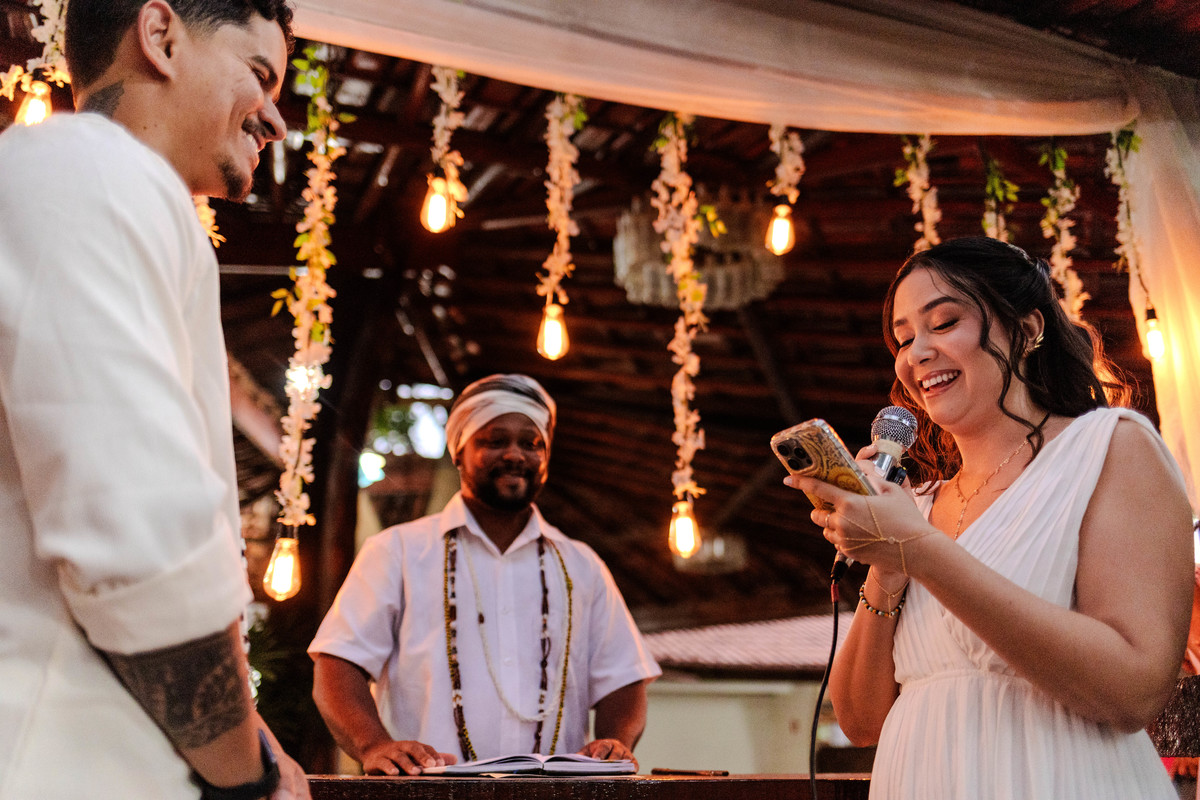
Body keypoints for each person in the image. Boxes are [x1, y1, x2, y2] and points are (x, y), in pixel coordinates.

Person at [0, 2, 309, 798]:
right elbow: (138, 546)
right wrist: (252, 779)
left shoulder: (97, 187)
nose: (275, 116)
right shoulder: (84, 168)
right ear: (161, 35)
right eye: (260, 74)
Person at [788, 237, 1193, 799]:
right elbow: (860, 721)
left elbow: (1133, 691)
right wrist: (888, 564)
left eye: (944, 322)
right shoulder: (920, 502)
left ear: (1027, 329)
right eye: (903, 339)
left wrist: (917, 548)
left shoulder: (1111, 449)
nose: (916, 353)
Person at [309, 374, 661, 775]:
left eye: (532, 444)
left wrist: (614, 742)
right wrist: (374, 745)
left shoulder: (582, 564)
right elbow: (338, 663)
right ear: (458, 451)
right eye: (495, 441)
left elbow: (625, 677)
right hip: (428, 792)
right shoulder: (397, 552)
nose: (515, 455)